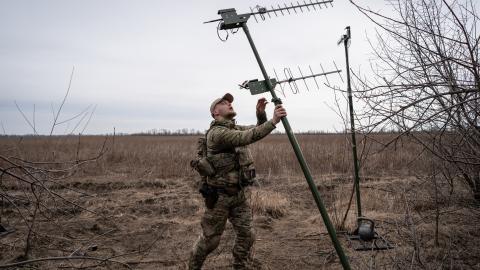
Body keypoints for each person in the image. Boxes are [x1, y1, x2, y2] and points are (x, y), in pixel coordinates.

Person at [188, 93, 287, 270]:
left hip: (238, 195)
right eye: (224, 103)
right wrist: (273, 121)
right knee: (210, 240)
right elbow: (247, 137)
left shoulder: (232, 128)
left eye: (230, 102)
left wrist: (261, 114)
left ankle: (240, 266)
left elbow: (255, 128)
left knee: (247, 234)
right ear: (215, 113)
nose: (229, 104)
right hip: (219, 198)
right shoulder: (218, 133)